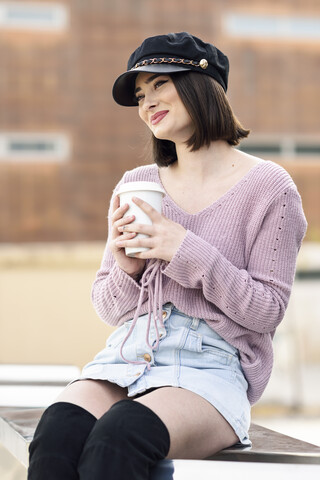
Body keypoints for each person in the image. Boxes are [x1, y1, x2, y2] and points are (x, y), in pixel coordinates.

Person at [28, 32, 307, 479]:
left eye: (160, 83)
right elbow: (110, 307)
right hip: (128, 354)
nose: (147, 102)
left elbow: (267, 311)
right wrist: (127, 268)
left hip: (212, 365)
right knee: (57, 432)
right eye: (140, 94)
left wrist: (184, 249)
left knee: (120, 439)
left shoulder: (270, 188)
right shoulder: (136, 183)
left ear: (202, 85)